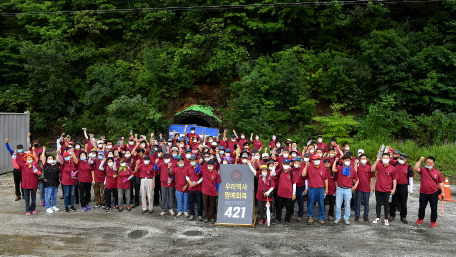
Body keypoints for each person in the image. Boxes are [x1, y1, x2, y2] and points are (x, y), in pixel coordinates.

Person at [414, 156, 444, 228]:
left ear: (433, 164)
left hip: (434, 193)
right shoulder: (423, 170)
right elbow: (416, 168)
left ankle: (433, 221)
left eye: (429, 163)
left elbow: (441, 183)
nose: (427, 164)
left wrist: (443, 192)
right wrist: (420, 160)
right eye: (427, 162)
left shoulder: (438, 172)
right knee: (422, 207)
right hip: (423, 193)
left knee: (434, 208)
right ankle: (420, 219)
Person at [371, 153, 397, 226]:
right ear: (381, 159)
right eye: (384, 158)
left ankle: (386, 218)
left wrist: (394, 188)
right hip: (378, 188)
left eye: (386, 158)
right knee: (378, 204)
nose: (385, 159)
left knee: (387, 204)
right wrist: (376, 161)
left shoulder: (393, 168)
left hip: (387, 190)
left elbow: (394, 179)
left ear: (389, 159)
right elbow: (372, 170)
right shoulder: (379, 165)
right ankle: (378, 217)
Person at [332, 155, 359, 225]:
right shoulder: (340, 168)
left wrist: (354, 187)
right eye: (345, 160)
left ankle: (346, 218)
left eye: (348, 160)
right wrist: (335, 161)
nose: (347, 161)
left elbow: (357, 179)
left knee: (347, 205)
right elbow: (333, 170)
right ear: (343, 161)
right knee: (338, 205)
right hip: (340, 189)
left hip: (348, 190)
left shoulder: (352, 170)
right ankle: (338, 218)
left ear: (350, 161)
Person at [302, 154, 328, 225]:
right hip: (312, 188)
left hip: (321, 188)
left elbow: (326, 179)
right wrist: (306, 166)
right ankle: (310, 217)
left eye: (318, 159)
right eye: (315, 160)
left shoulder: (323, 168)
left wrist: (326, 189)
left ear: (320, 160)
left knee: (321, 203)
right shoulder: (309, 167)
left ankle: (321, 217)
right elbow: (303, 175)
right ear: (312, 160)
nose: (317, 161)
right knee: (310, 203)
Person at [389, 153, 414, 224]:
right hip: (395, 185)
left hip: (403, 186)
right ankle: (392, 215)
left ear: (406, 159)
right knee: (393, 201)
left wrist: (411, 189)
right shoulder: (394, 164)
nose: (401, 160)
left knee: (403, 202)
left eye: (403, 159)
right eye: (400, 158)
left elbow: (410, 178)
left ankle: (403, 216)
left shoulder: (409, 167)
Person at [272, 159, 297, 227]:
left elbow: (294, 184)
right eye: (284, 164)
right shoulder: (280, 171)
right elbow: (273, 174)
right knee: (278, 207)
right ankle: (278, 219)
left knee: (288, 208)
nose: (285, 165)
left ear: (289, 165)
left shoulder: (292, 173)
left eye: (287, 164)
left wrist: (294, 193)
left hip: (288, 194)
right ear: (282, 164)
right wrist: (274, 167)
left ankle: (287, 220)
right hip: (280, 193)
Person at [353, 154, 374, 222]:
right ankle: (357, 216)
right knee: (357, 202)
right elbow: (354, 172)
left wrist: (372, 186)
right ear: (359, 159)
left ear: (367, 159)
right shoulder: (358, 167)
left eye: (364, 158)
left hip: (367, 188)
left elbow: (371, 177)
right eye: (362, 158)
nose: (363, 160)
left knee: (366, 203)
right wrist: (356, 163)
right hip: (359, 187)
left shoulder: (369, 167)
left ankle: (365, 216)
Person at [186, 155, 203, 221]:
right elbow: (186, 176)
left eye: (193, 160)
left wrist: (197, 183)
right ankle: (192, 214)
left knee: (199, 202)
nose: (192, 162)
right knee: (190, 202)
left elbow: (203, 177)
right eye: (191, 160)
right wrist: (189, 181)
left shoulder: (201, 167)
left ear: (196, 161)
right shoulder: (188, 168)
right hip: (190, 188)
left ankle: (200, 214)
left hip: (198, 188)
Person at [290, 157, 306, 222]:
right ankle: (291, 213)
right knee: (291, 201)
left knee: (300, 202)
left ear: (299, 162)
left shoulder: (303, 169)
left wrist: (306, 189)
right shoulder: (292, 169)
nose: (294, 163)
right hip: (293, 187)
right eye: (293, 162)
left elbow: (306, 179)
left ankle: (300, 215)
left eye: (295, 162)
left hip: (300, 187)